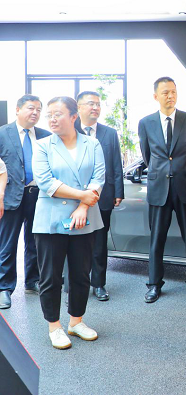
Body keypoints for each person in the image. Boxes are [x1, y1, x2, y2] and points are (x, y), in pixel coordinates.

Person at [32, 96, 105, 350]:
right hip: (51, 219)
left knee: (81, 273)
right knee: (51, 276)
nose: (51, 119)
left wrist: (84, 205)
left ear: (74, 116)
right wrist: (82, 196)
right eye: (49, 114)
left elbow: (98, 178)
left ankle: (76, 321)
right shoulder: (42, 145)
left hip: (85, 217)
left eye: (58, 114)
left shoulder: (92, 144)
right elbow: (46, 182)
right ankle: (54, 326)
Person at [138, 76, 186, 303]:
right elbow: (147, 156)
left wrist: (178, 169)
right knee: (156, 239)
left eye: (173, 91)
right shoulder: (146, 123)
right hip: (159, 188)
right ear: (155, 96)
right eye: (165, 92)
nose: (170, 96)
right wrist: (163, 171)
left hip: (185, 185)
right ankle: (154, 284)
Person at [63, 92, 124, 302]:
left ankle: (99, 284)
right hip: (74, 196)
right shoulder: (69, 130)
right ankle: (72, 285)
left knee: (99, 243)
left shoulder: (109, 133)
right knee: (73, 242)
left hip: (102, 196)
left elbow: (116, 163)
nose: (95, 107)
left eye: (98, 104)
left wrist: (118, 192)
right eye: (91, 104)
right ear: (79, 107)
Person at [0, 95, 50, 310]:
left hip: (38, 195)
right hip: (10, 196)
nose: (35, 113)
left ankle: (33, 280)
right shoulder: (3, 133)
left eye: (39, 109)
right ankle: (4, 287)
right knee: (7, 243)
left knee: (35, 241)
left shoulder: (46, 136)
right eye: (31, 108)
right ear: (18, 109)